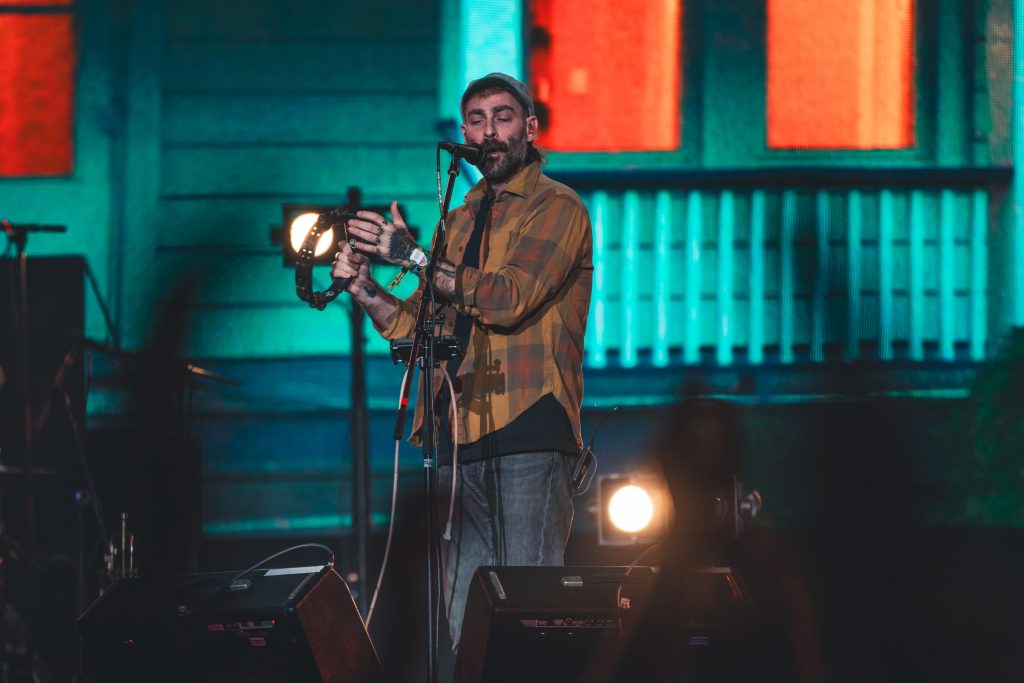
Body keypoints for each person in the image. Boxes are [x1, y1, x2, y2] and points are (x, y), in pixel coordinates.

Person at [331, 72, 593, 647]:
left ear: (529, 128)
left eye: (502, 117)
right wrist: (367, 289)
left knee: (528, 615)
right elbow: (417, 326)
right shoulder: (461, 217)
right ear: (464, 133)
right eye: (476, 119)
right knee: (462, 624)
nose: (489, 131)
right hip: (454, 433)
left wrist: (417, 255)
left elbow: (506, 297)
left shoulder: (558, 206)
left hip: (527, 423)